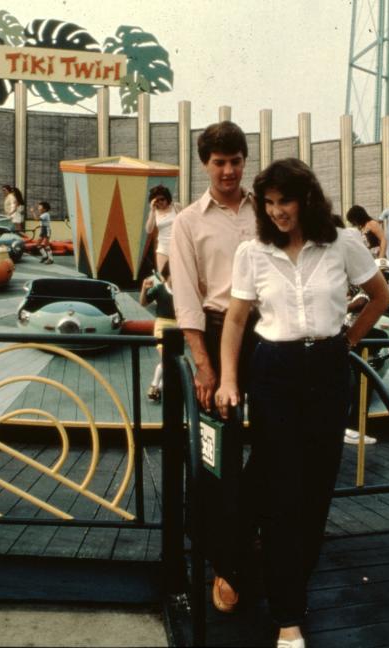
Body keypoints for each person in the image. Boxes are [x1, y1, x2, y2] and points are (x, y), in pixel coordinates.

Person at [215, 159, 389, 648]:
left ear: (307, 199)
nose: (276, 213)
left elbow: (378, 295)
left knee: (314, 492)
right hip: (274, 372)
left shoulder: (342, 244)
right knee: (282, 494)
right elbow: (235, 321)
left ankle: (237, 561)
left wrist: (348, 341)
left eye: (284, 202)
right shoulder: (253, 252)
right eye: (268, 204)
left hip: (328, 372)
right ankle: (287, 615)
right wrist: (231, 379)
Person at [168, 120, 258, 614]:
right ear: (205, 165)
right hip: (221, 334)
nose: (228, 171)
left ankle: (251, 533)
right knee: (218, 453)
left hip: (271, 335)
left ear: (245, 161)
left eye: (235, 161)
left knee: (276, 445)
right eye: (219, 162)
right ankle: (225, 561)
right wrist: (203, 365)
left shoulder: (263, 210)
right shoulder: (189, 221)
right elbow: (187, 297)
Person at [139, 262, 176, 403]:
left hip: (178, 328)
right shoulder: (159, 289)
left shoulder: (182, 291)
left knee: (171, 361)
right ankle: (154, 385)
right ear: (167, 276)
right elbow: (143, 303)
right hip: (162, 326)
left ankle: (159, 388)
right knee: (166, 358)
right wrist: (144, 289)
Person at [145, 185, 178, 273]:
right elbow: (149, 229)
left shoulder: (176, 207)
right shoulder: (154, 212)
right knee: (162, 277)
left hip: (177, 246)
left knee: (178, 275)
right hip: (163, 248)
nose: (160, 202)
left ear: (167, 198)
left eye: (162, 199)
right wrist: (152, 210)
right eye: (157, 200)